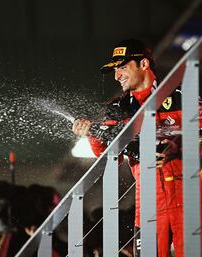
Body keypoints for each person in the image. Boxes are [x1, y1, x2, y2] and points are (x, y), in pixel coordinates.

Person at [72, 38, 199, 257]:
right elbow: (109, 156)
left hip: (191, 201)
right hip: (148, 205)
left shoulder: (182, 97)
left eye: (122, 67)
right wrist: (90, 133)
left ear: (144, 64)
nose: (117, 75)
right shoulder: (117, 109)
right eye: (115, 70)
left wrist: (177, 147)